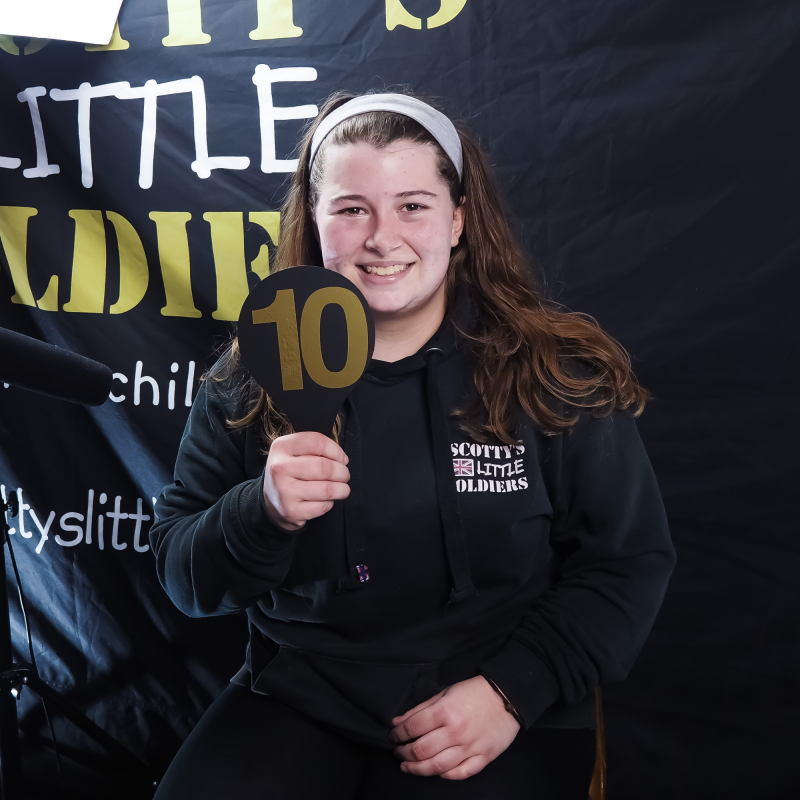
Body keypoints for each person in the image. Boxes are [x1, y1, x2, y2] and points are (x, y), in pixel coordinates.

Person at [149, 91, 675, 799]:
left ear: (458, 220)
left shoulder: (554, 373)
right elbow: (183, 577)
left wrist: (512, 690)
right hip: (301, 696)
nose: (381, 237)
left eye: (413, 206)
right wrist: (260, 511)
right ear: (314, 220)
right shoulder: (252, 375)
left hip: (491, 697)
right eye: (351, 208)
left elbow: (628, 562)